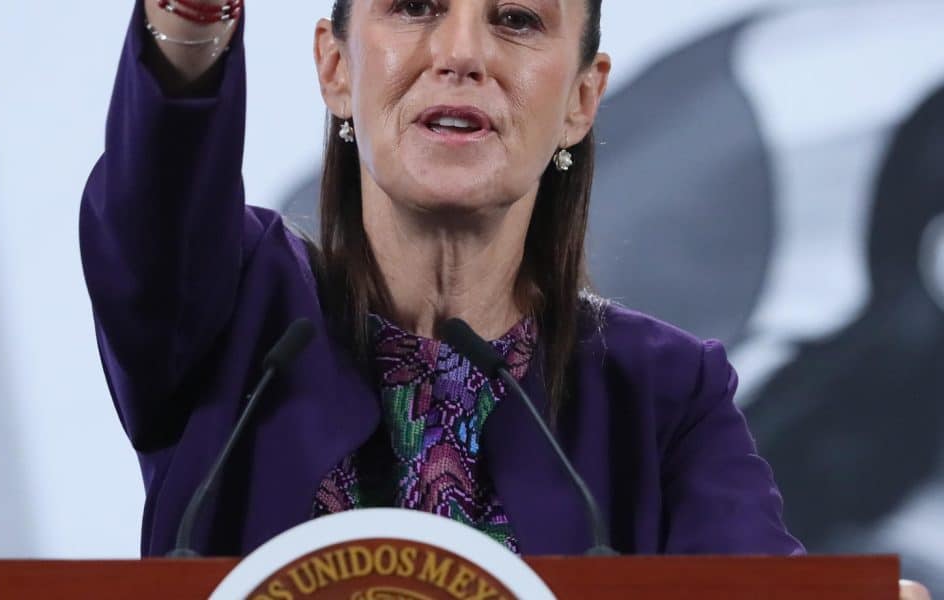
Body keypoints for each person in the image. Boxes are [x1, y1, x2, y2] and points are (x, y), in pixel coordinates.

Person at [78, 3, 931, 595]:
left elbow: (752, 584)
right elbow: (156, 203)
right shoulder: (238, 316)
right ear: (335, 70)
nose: (462, 54)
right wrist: (189, 25)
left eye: (517, 20)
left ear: (581, 101)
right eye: (414, 7)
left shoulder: (664, 392)